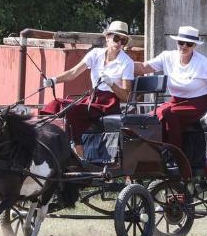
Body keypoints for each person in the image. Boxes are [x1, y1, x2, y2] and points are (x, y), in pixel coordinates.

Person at [39, 20, 135, 157]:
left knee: (73, 110)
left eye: (123, 41)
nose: (119, 43)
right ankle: (48, 143)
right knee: (55, 105)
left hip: (109, 104)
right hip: (92, 100)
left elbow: (126, 96)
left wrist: (112, 84)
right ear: (107, 37)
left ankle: (79, 152)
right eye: (117, 38)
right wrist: (54, 80)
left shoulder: (127, 63)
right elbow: (73, 72)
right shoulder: (95, 54)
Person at [134, 25, 207, 151]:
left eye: (188, 44)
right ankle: (155, 153)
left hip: (199, 102)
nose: (184, 46)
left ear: (194, 45)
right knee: (152, 116)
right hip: (176, 101)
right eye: (181, 42)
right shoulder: (167, 57)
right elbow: (143, 68)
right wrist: (123, 64)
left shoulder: (203, 64)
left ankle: (175, 154)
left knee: (169, 113)